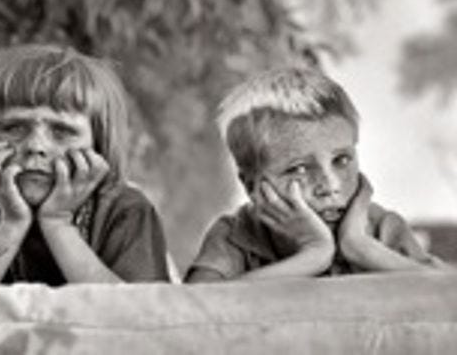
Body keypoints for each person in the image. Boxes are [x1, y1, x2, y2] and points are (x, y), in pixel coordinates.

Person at [186, 67, 448, 282]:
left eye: (341, 160)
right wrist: (313, 255)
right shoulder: (234, 235)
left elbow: (447, 295)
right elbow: (195, 309)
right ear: (251, 185)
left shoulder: (383, 228)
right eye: (299, 169)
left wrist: (361, 248)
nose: (330, 185)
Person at [0, 44, 170, 285]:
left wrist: (57, 222)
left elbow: (135, 306)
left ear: (99, 145)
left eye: (62, 131)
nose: (35, 146)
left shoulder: (125, 209)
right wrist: (10, 224)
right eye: (15, 128)